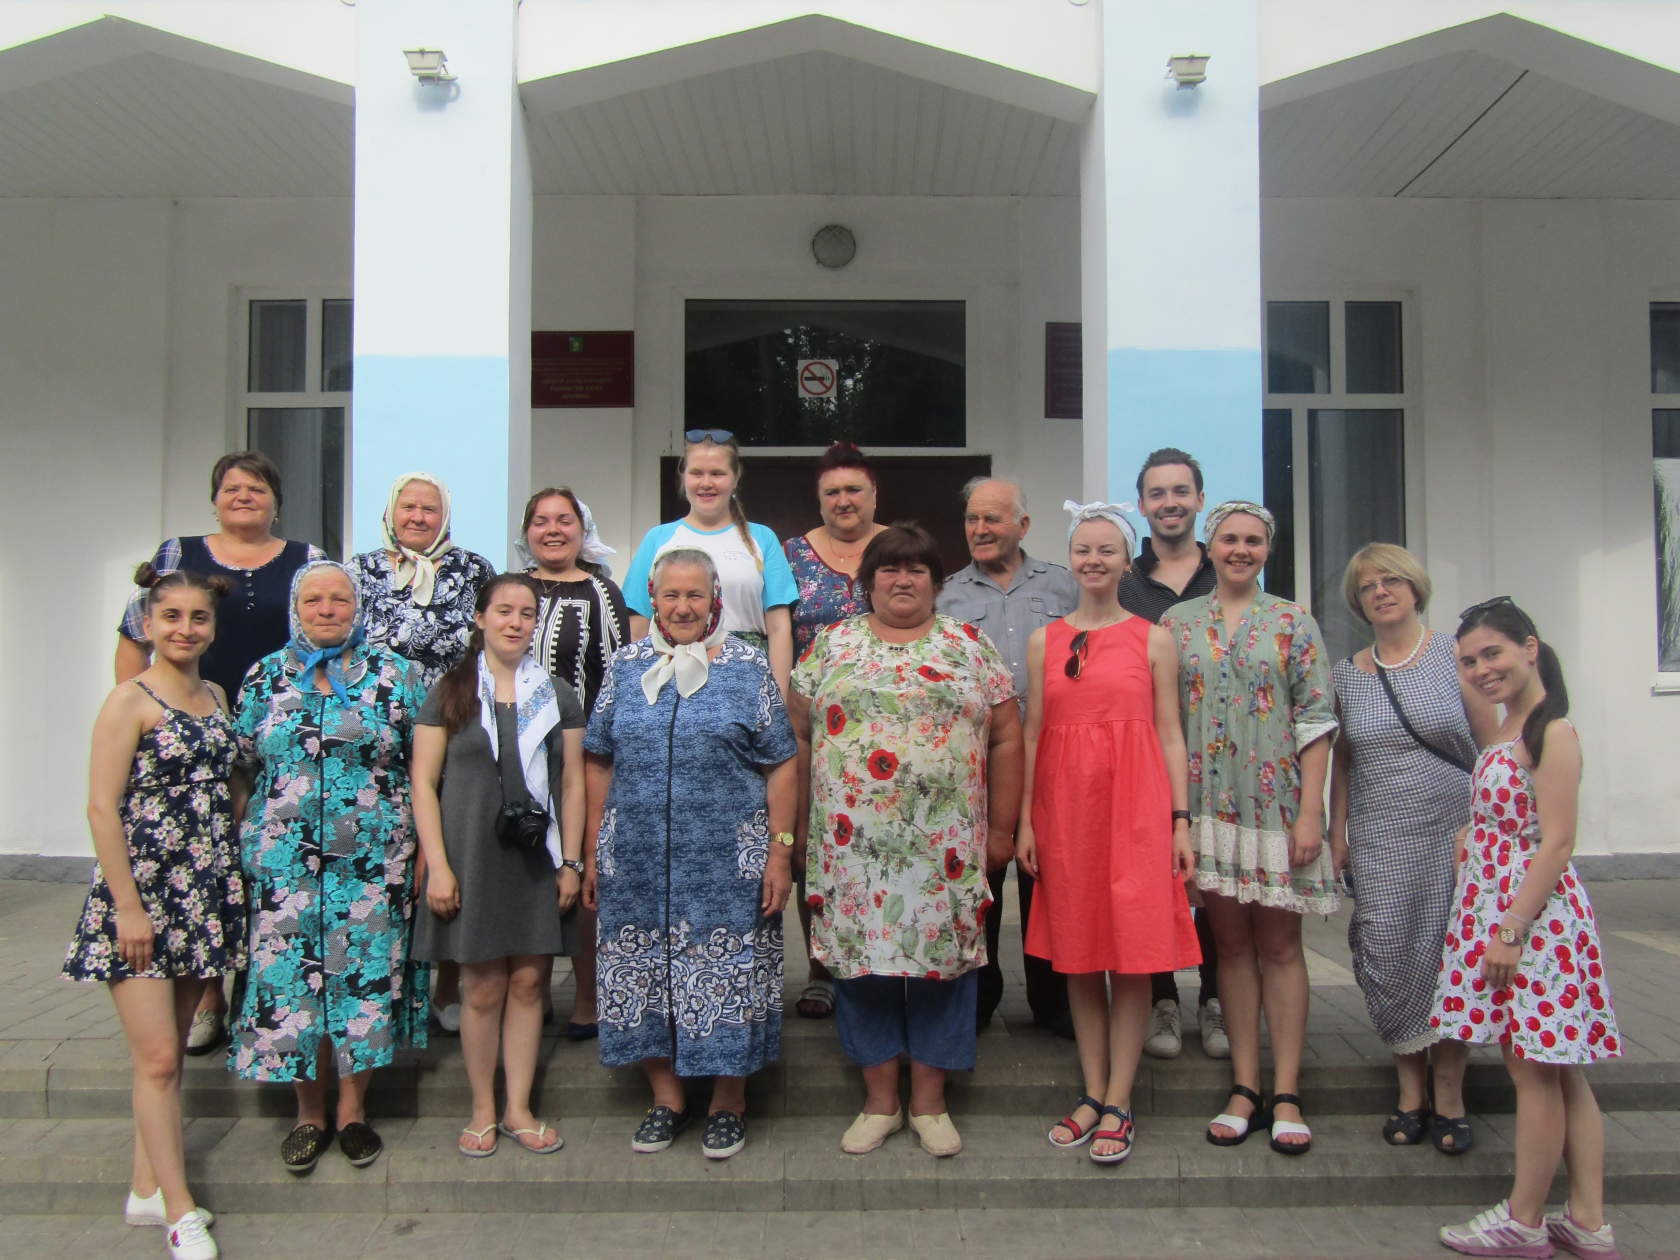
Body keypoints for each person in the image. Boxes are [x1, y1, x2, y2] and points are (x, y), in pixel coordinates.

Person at [791, 524, 1024, 1158]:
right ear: (866, 582)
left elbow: (1006, 737)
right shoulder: (831, 646)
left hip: (944, 851)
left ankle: (929, 1103)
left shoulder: (970, 647)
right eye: (889, 570)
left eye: (916, 569)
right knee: (862, 968)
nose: (902, 580)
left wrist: (1002, 827)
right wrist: (794, 830)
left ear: (936, 581)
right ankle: (879, 1102)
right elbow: (799, 738)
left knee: (942, 968)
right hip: (850, 847)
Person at [582, 548, 796, 1160]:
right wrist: (598, 845)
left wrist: (780, 853)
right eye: (670, 595)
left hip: (729, 860)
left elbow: (781, 760)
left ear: (715, 602)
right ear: (653, 600)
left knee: (730, 974)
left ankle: (729, 1099)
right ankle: (667, 1097)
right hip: (639, 857)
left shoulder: (748, 667)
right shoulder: (625, 667)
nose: (682, 607)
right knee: (639, 970)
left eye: (694, 596)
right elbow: (598, 755)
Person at [115, 450, 324, 1055]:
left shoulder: (305, 560)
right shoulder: (179, 555)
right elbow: (134, 642)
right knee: (205, 873)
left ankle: (254, 987)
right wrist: (139, 724)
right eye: (232, 488)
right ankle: (206, 999)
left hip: (276, 736)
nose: (243, 496)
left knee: (256, 870)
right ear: (215, 498)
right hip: (192, 734)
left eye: (256, 488)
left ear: (275, 499)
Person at [65, 566, 245, 1260]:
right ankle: (178, 1211)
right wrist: (129, 910)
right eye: (171, 616)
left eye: (197, 618)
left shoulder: (217, 696)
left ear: (212, 627)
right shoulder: (128, 701)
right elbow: (101, 808)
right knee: (161, 1058)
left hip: (203, 894)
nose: (185, 629)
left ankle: (146, 1185)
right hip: (143, 897)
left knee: (165, 1061)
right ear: (147, 621)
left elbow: (227, 791)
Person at [230, 560, 430, 1175]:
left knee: (363, 982)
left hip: (371, 864)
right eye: (313, 599)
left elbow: (424, 770)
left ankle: (352, 1111)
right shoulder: (265, 676)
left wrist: (422, 850)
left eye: (338, 599)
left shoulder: (396, 675)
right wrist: (246, 846)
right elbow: (243, 766)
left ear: (357, 605)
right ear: (296, 608)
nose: (325, 609)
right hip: (285, 865)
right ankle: (308, 1112)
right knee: (293, 985)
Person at [1435, 598, 1621, 1260]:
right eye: (1469, 661)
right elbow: (1523, 821)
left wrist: (1510, 929)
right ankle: (1590, 1221)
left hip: (1533, 923)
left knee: (1533, 1069)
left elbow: (1558, 843)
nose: (1483, 669)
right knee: (1562, 1071)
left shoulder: (1553, 731)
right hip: (1515, 912)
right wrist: (1475, 832)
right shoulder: (1515, 728)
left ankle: (1525, 1218)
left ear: (1530, 648)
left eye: (1494, 653)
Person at [1017, 503, 1200, 1165]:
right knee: (1077, 954)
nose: (1094, 561)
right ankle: (1091, 1090)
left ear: (1127, 561)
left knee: (1131, 958)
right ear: (1070, 560)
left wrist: (1180, 819)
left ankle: (1120, 1097)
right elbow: (1034, 734)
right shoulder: (1046, 641)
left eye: (1107, 551)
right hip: (1067, 814)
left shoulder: (1154, 638)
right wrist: (1028, 821)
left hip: (1136, 811)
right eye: (1083, 551)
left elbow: (1172, 734)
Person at [1160, 501, 1338, 1155]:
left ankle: (1286, 1091)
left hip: (1277, 809)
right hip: (1207, 808)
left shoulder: (1293, 620)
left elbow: (1316, 718)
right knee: (1229, 948)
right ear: (1208, 546)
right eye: (1229, 539)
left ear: (1268, 549)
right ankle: (1243, 1086)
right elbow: (1166, 722)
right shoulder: (1177, 624)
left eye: (1253, 540)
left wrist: (1312, 810)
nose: (1240, 549)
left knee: (1282, 948)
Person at [412, 574, 587, 1157]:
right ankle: (483, 1107)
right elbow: (422, 782)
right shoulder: (450, 691)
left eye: (526, 613)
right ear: (481, 618)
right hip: (470, 859)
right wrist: (437, 865)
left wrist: (572, 863)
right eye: (504, 611)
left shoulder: (556, 692)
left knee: (531, 981)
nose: (515, 622)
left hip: (537, 859)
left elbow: (572, 782)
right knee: (483, 986)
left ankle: (519, 1107)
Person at [1328, 544, 1495, 1154]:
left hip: (1455, 833)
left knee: (1451, 955)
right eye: (1369, 585)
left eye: (1392, 580)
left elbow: (1492, 745)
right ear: (1358, 600)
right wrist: (1336, 829)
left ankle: (1448, 1093)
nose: (1381, 591)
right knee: (1390, 952)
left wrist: (1489, 827)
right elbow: (1343, 760)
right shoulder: (1348, 673)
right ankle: (1409, 1089)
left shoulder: (1455, 657)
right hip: (1379, 837)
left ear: (1416, 588)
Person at [936, 478, 1075, 1037]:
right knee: (984, 878)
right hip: (982, 760)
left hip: (1052, 754)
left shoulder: (1063, 586)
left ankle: (1055, 1001)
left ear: (1023, 525)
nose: (980, 530)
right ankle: (978, 1000)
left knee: (1049, 878)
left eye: (992, 519)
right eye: (972, 519)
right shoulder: (946, 596)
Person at [1118, 448, 1226, 1062]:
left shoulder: (1232, 572)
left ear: (1199, 499)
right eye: (1157, 494)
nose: (1170, 503)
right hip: (1146, 753)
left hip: (1219, 751)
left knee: (1213, 879)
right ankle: (1162, 995)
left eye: (1181, 491)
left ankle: (1214, 998)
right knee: (1154, 878)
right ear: (1141, 506)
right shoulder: (1128, 583)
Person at [518, 486, 630, 1041]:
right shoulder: (510, 590)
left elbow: (617, 672)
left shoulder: (602, 592)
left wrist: (603, 747)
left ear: (583, 530)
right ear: (527, 531)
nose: (553, 530)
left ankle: (587, 997)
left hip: (581, 750)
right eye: (541, 521)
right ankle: (529, 994)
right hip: (517, 753)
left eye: (564, 520)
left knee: (583, 867)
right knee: (526, 869)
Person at [782, 441, 887, 1020]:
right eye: (832, 493)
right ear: (819, 500)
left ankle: (878, 956)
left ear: (874, 494)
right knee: (812, 846)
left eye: (854, 490)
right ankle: (821, 967)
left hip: (891, 731)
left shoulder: (898, 548)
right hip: (814, 731)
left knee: (880, 843)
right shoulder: (790, 554)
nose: (843, 501)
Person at [623, 429, 798, 695]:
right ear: (684, 477)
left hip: (747, 676)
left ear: (735, 478)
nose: (707, 483)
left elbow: (778, 627)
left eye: (717, 473)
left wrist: (778, 696)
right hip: (672, 674)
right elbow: (637, 627)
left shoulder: (762, 539)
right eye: (697, 473)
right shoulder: (658, 539)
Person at [349, 471, 496, 690]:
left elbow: (494, 644)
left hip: (453, 711)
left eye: (429, 510)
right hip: (374, 714)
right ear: (391, 512)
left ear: (445, 515)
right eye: (408, 508)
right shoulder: (358, 570)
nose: (417, 518)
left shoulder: (474, 569)